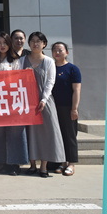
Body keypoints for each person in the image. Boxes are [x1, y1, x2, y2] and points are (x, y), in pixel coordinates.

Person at [21, 31, 65, 178]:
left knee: (47, 133)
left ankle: (43, 166)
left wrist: (44, 99)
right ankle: (32, 165)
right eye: (33, 41)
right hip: (27, 101)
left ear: (44, 44)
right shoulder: (22, 60)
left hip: (44, 102)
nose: (35, 44)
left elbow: (50, 82)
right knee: (30, 133)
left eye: (39, 41)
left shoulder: (48, 61)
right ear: (29, 43)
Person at [0, 31, 27, 176]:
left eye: (4, 43)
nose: (2, 45)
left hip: (13, 101)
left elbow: (20, 80)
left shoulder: (16, 61)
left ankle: (15, 163)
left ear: (9, 44)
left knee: (15, 132)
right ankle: (4, 162)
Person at [51, 41, 82, 176]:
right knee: (58, 135)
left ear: (67, 52)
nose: (57, 52)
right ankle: (61, 162)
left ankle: (71, 163)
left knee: (70, 135)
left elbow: (76, 90)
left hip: (68, 107)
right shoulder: (51, 67)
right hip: (53, 107)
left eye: (60, 50)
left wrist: (74, 108)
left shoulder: (72, 69)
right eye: (55, 50)